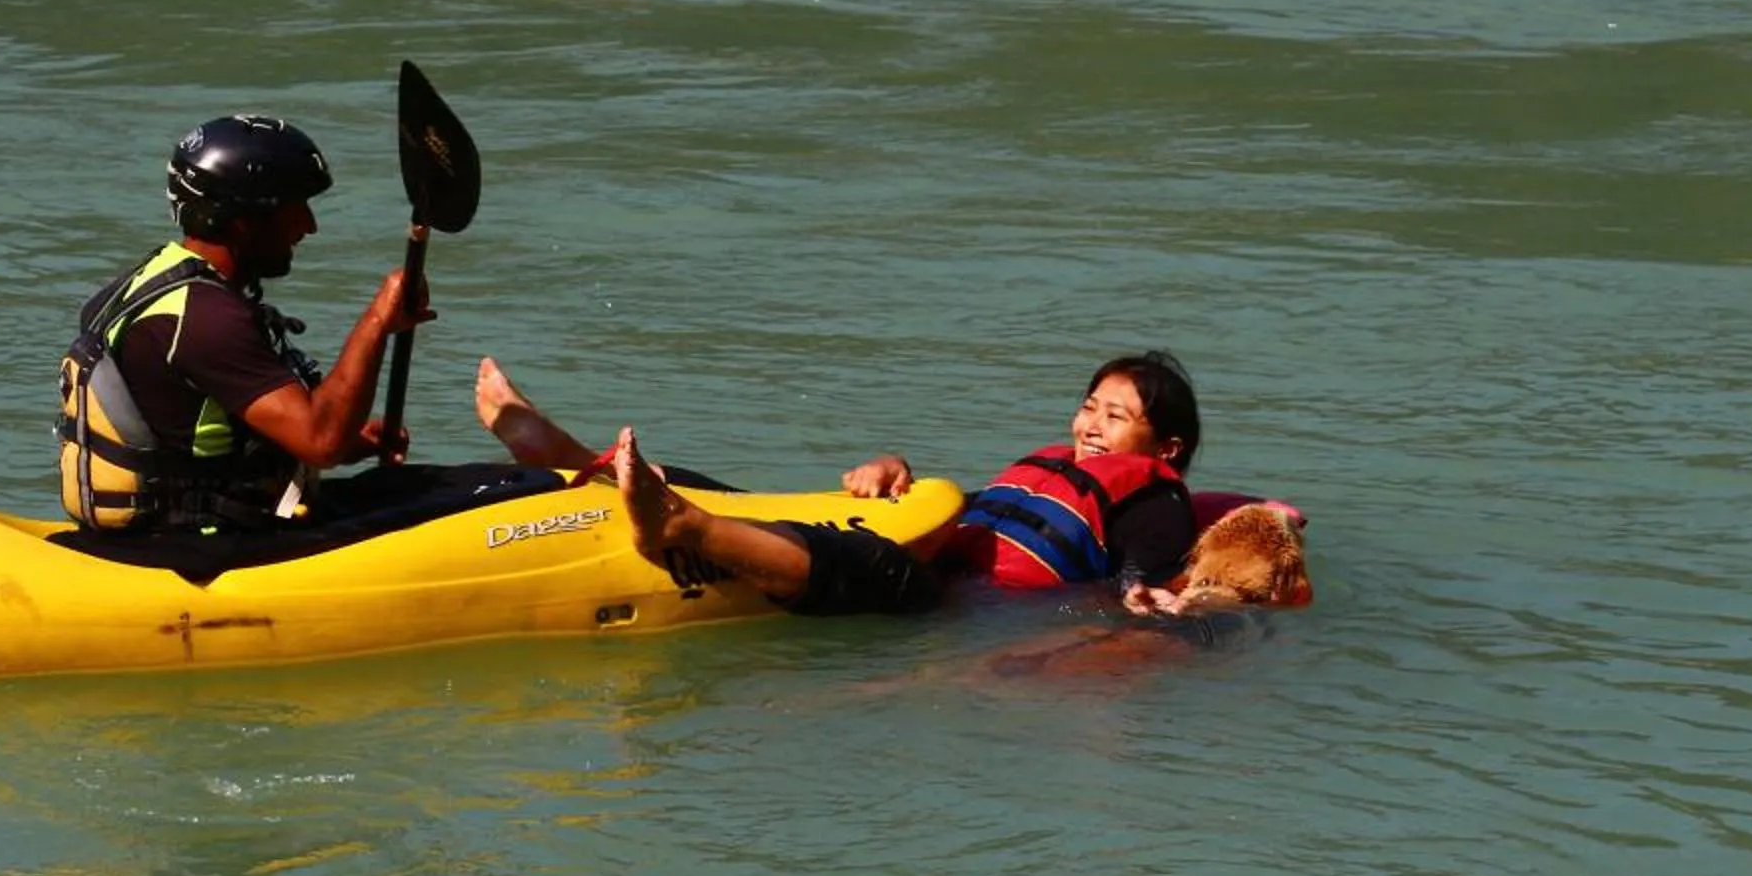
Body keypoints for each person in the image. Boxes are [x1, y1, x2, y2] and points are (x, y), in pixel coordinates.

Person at [471, 351, 1209, 616]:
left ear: (1166, 448)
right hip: (939, 553)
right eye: (1089, 406)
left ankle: (680, 527)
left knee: (867, 567)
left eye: (1115, 417)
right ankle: (577, 460)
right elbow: (982, 516)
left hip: (965, 605)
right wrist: (896, 473)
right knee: (746, 500)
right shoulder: (1054, 464)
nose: (1091, 425)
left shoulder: (1156, 498)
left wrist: (1141, 594)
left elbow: (1143, 574)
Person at [57, 113, 436, 532]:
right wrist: (378, 321)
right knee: (470, 493)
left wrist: (351, 441)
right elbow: (321, 441)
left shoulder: (147, 282)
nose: (309, 226)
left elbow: (180, 427)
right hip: (208, 543)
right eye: (295, 208)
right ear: (243, 219)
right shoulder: (207, 321)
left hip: (173, 525)